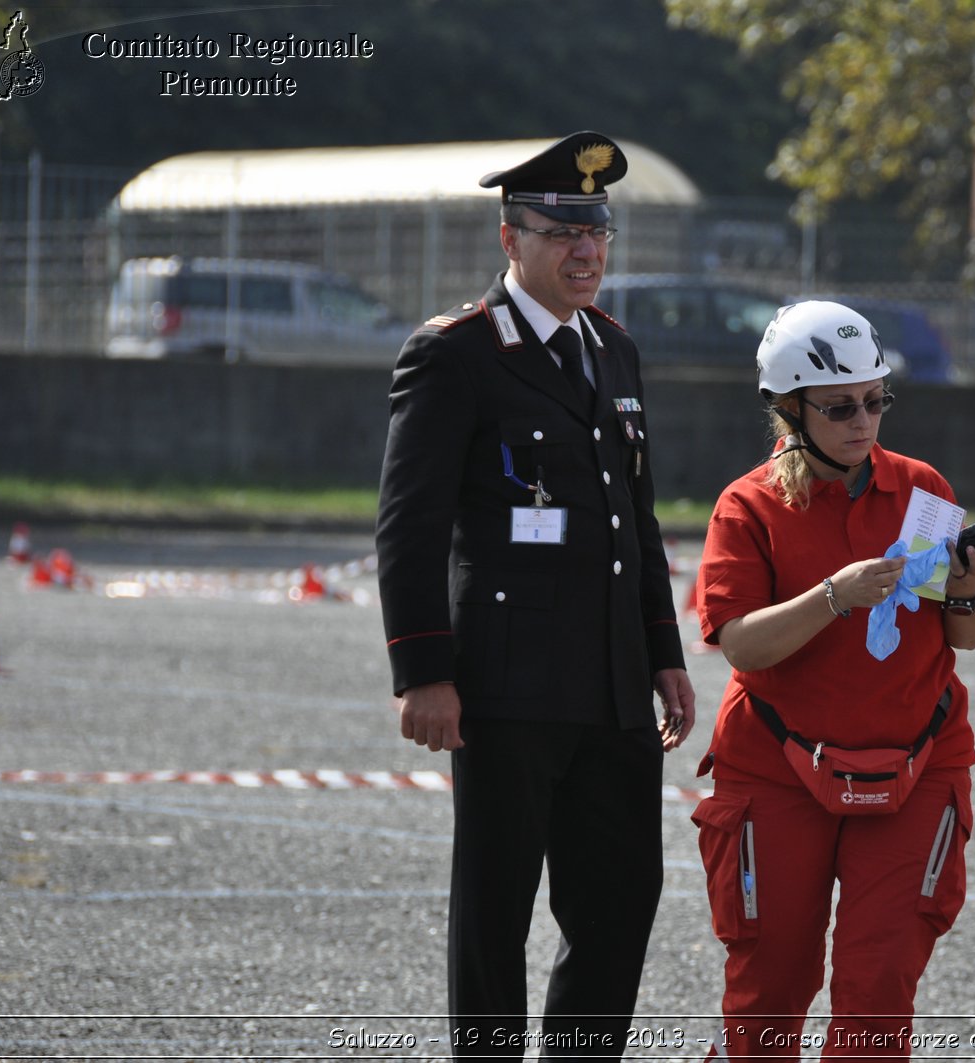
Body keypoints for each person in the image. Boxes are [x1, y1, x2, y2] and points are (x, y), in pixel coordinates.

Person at [375, 130, 696, 1059]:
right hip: (506, 690)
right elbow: (410, 525)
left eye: (597, 231)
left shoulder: (617, 351)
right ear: (511, 238)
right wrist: (422, 671)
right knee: (495, 918)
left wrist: (664, 654)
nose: (586, 251)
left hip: (611, 686)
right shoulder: (457, 354)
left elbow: (633, 526)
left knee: (620, 904)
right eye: (563, 232)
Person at [690, 300, 975, 1059]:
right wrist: (834, 595)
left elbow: (964, 635)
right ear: (788, 411)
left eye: (874, 400)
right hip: (779, 769)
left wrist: (967, 590)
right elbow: (742, 646)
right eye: (839, 407)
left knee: (879, 989)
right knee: (769, 987)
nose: (863, 421)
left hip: (917, 764)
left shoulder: (921, 490)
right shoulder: (748, 505)